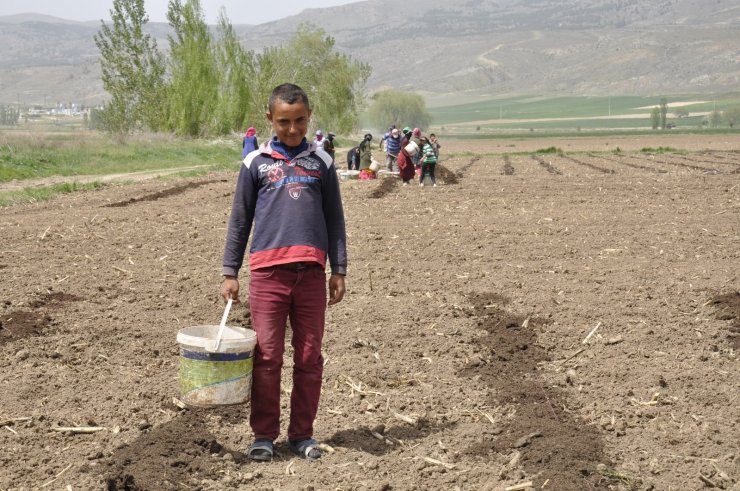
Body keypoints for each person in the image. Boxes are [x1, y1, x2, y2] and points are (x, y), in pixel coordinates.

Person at [221, 83, 347, 463]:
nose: (292, 129)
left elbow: (334, 219)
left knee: (309, 356)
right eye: (284, 122)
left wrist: (338, 268)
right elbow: (240, 220)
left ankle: (302, 435)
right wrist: (230, 271)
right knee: (267, 356)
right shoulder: (255, 163)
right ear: (270, 119)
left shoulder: (321, 163)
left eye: (300, 121)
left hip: (310, 275)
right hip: (267, 275)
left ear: (310, 117)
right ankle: (263, 434)